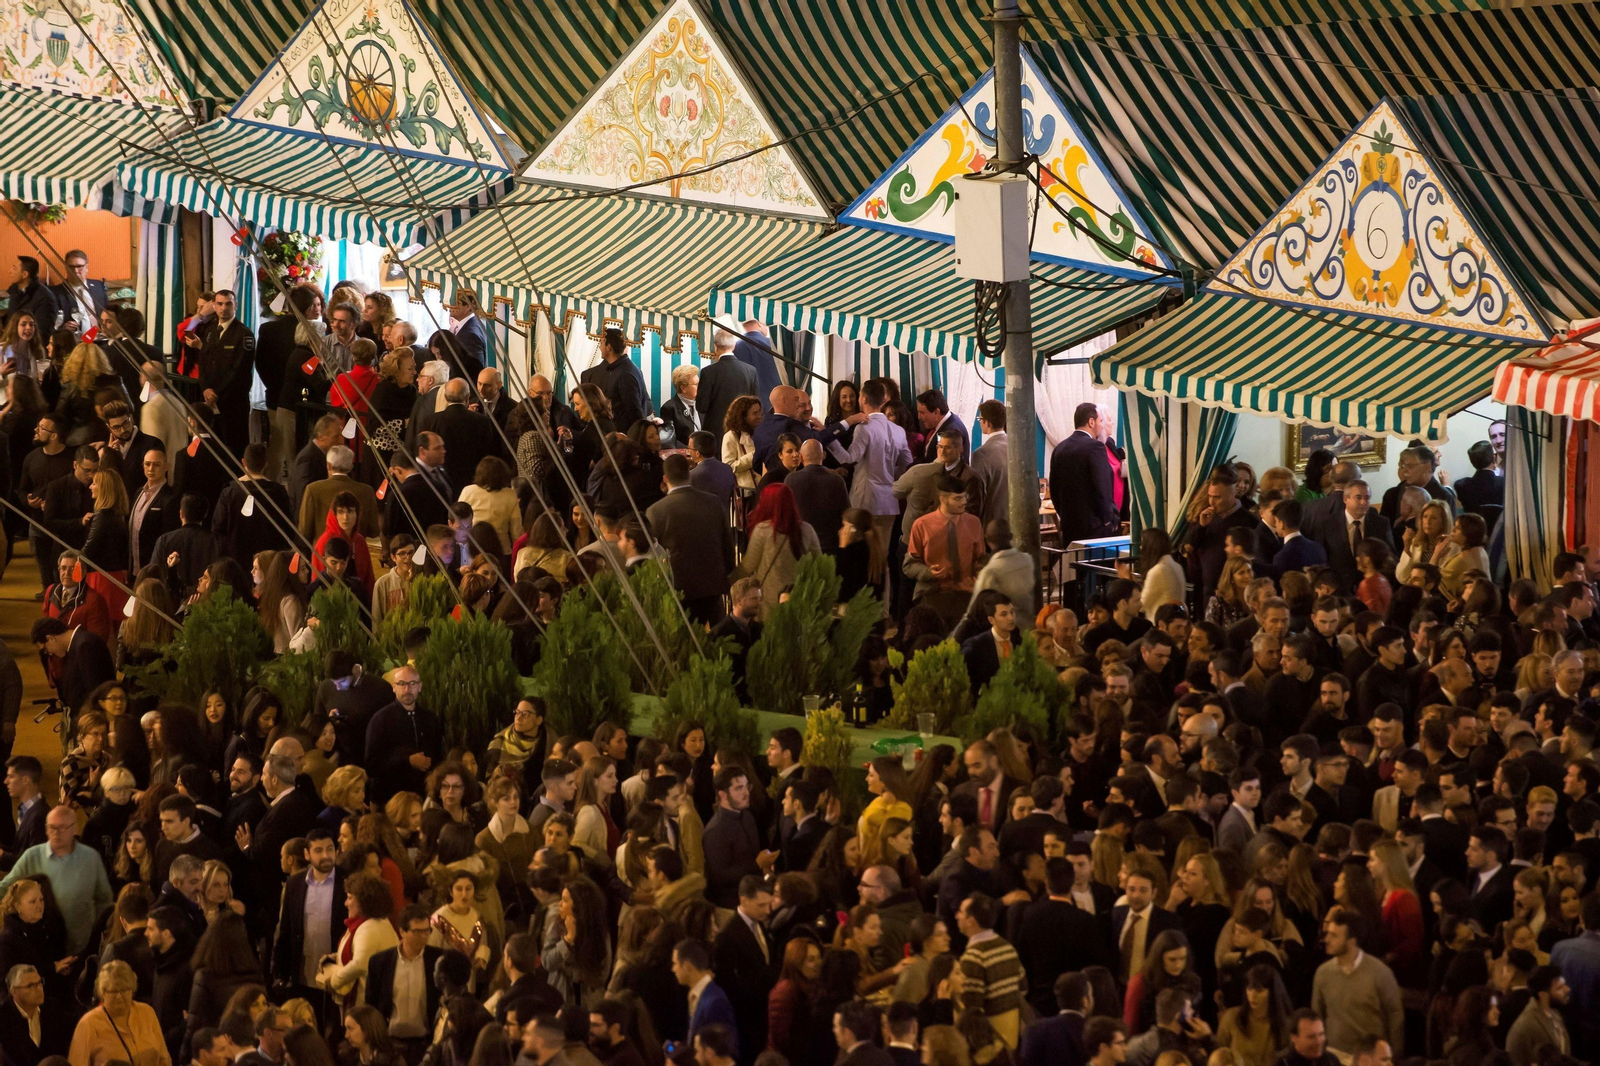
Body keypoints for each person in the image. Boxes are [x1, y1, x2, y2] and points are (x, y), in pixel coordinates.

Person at [644, 455, 735, 625]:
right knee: (717, 640)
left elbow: (653, 554)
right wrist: (728, 574)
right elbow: (727, 543)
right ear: (690, 474)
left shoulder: (656, 511)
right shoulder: (713, 502)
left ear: (665, 478)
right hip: (712, 583)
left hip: (678, 587)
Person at [1308, 907, 1402, 1057]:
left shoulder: (1379, 973)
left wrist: (1393, 1056)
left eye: (1334, 936)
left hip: (1370, 1056)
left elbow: (1395, 1017)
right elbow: (1317, 1015)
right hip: (1335, 1054)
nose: (1327, 940)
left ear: (1351, 942)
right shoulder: (1323, 973)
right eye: (1328, 934)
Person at [187, 291, 254, 455]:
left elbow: (239, 371)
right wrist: (205, 388)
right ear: (214, 306)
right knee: (213, 448)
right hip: (211, 402)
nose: (224, 308)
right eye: (220, 304)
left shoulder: (244, 334)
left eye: (228, 304)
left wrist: (215, 392)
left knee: (233, 448)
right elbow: (204, 363)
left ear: (235, 306)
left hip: (232, 402)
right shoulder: (210, 331)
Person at [68, 959, 169, 1066]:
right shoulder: (88, 1024)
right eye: (114, 991)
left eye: (124, 990)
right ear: (103, 992)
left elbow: (164, 1058)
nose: (119, 997)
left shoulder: (147, 1012)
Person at [1049, 402, 1119, 544]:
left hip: (1069, 527)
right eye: (1100, 421)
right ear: (1091, 422)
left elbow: (1054, 489)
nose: (1102, 425)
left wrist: (1064, 515)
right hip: (1095, 529)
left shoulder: (1059, 449)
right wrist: (1108, 521)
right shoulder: (1096, 447)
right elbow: (1103, 488)